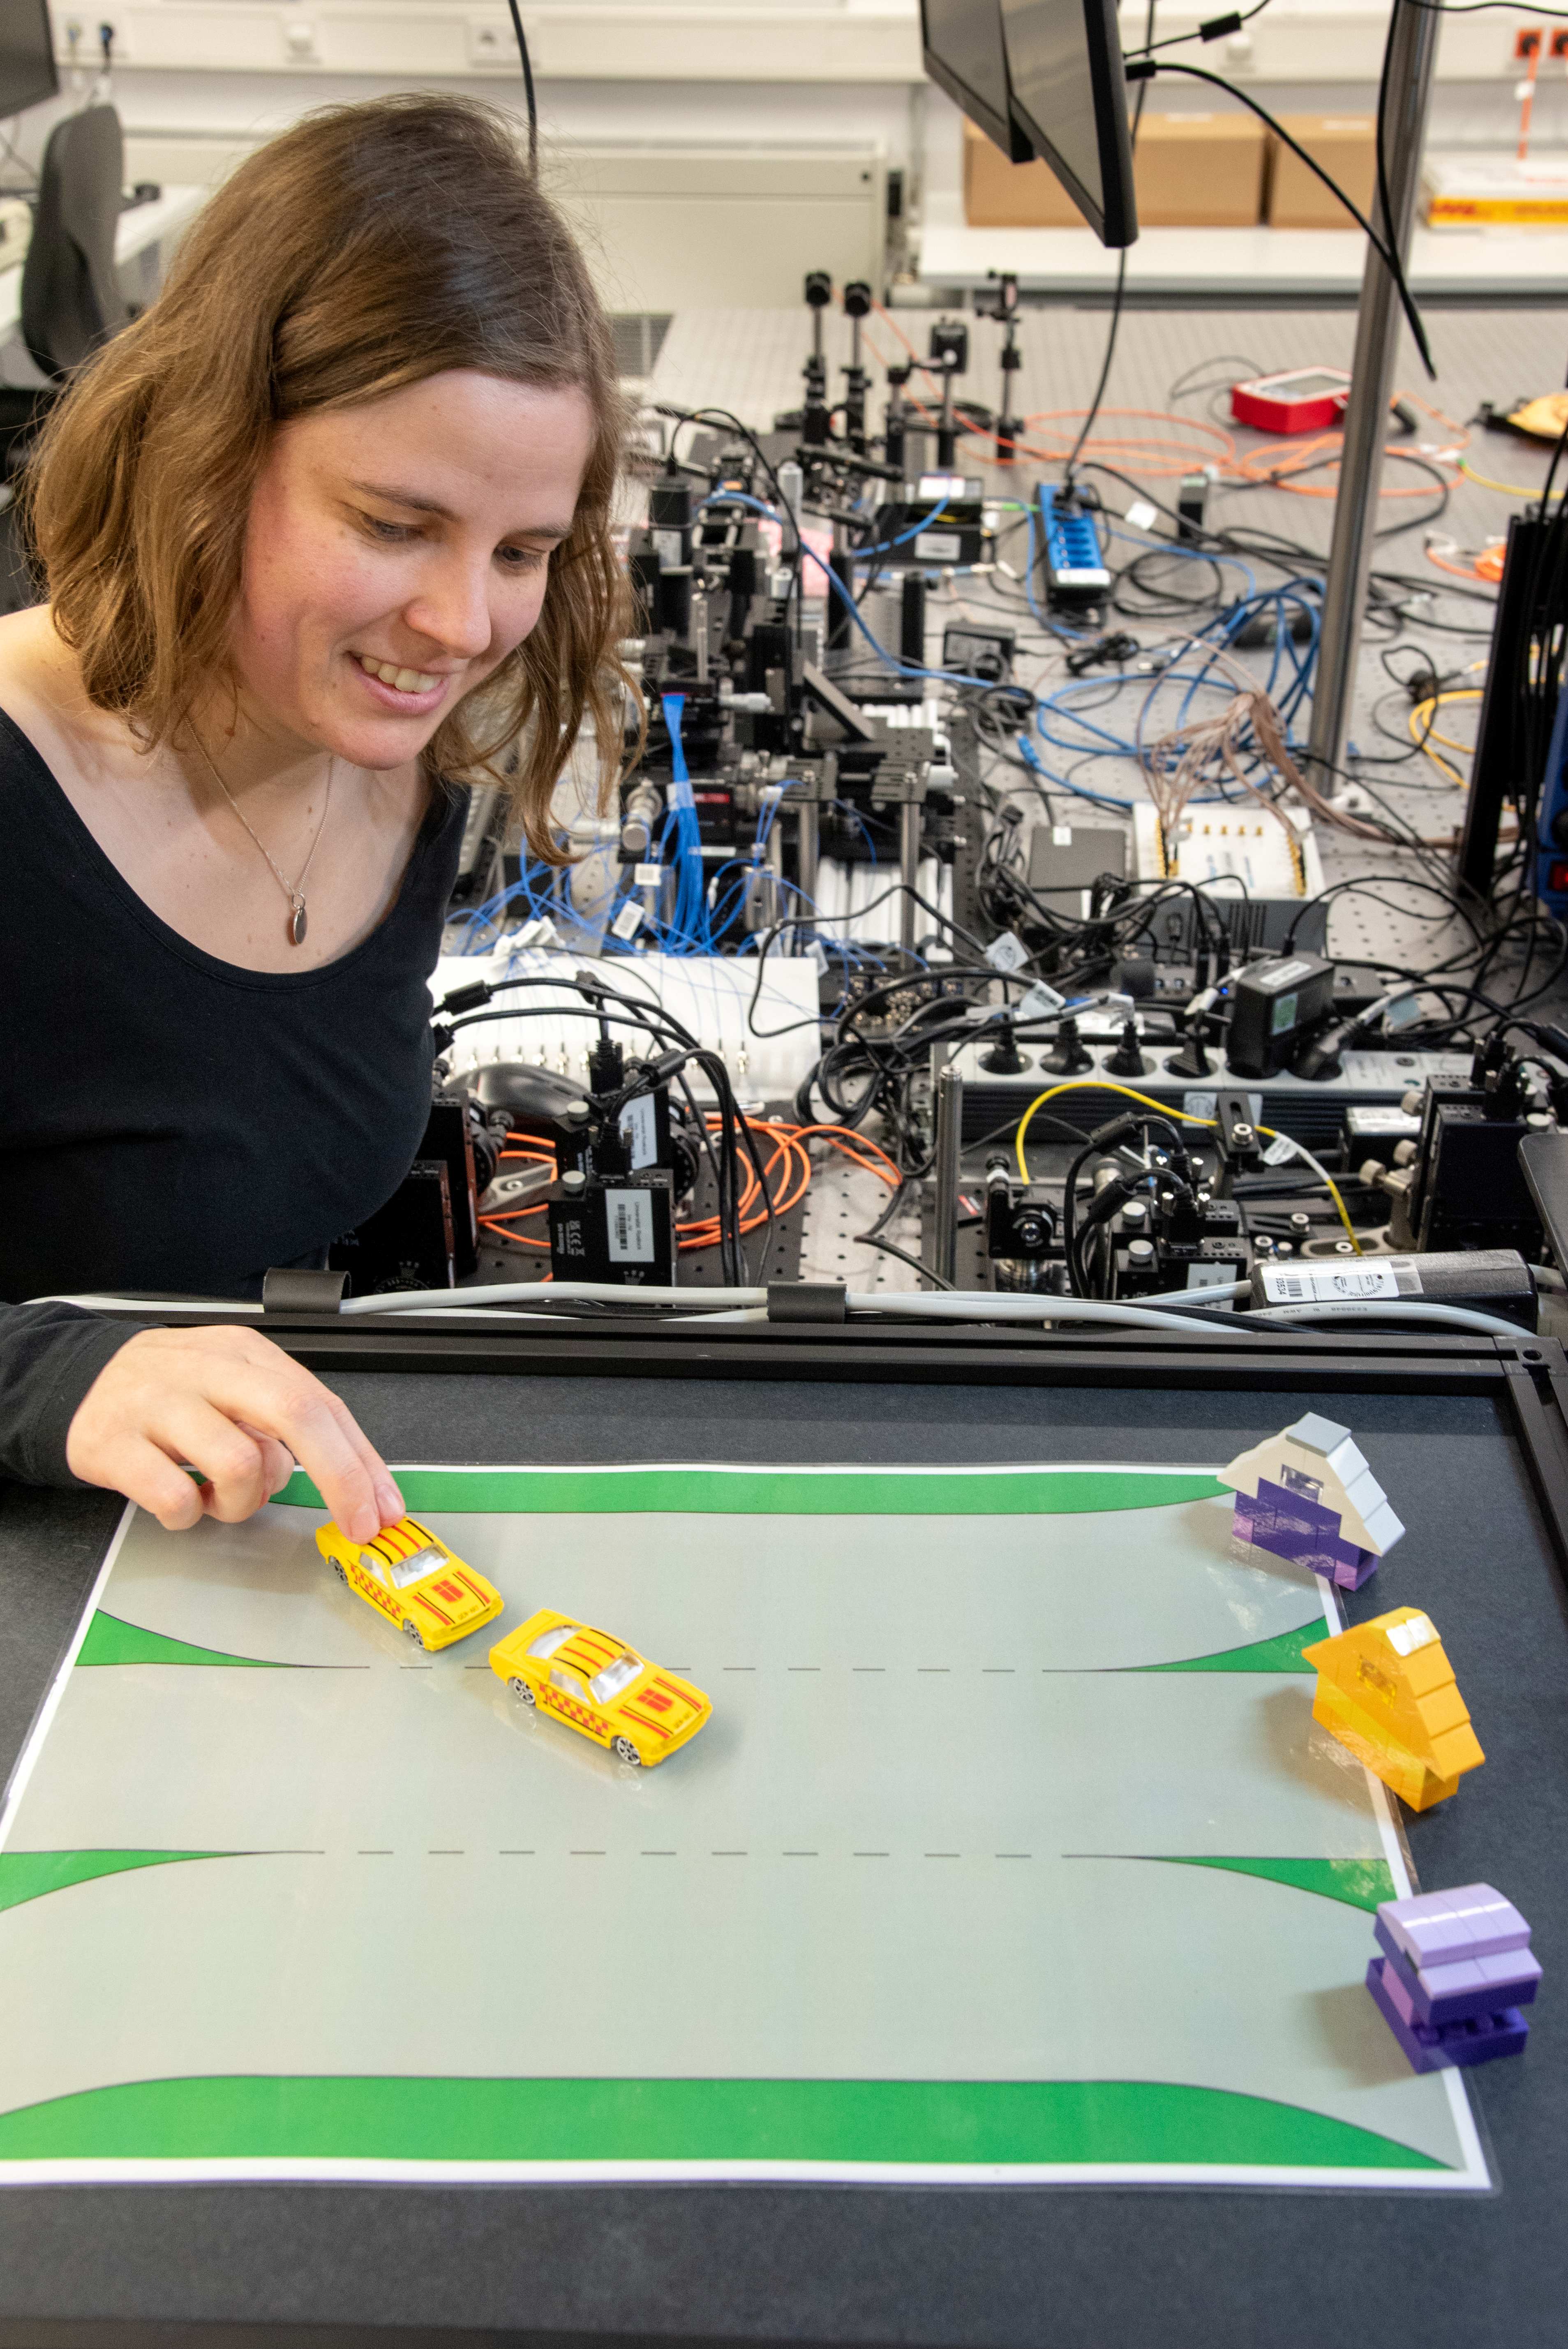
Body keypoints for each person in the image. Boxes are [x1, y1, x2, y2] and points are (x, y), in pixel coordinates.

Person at [0, 95, 634, 1540]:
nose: (461, 625)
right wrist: (52, 1376)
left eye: (521, 550)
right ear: (207, 457)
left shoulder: (409, 760)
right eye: (396, 525)